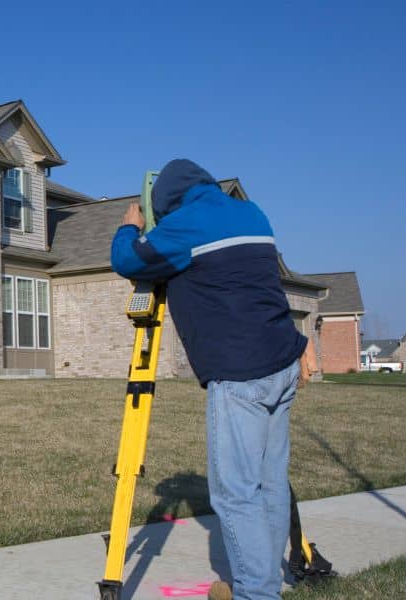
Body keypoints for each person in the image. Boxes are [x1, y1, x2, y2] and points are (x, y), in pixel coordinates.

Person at [110, 159, 309, 600]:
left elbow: (127, 260)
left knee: (236, 494)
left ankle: (256, 593)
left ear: (165, 203)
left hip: (241, 377)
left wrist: (130, 227)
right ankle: (261, 582)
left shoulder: (184, 226)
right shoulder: (252, 213)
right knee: (270, 484)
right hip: (282, 364)